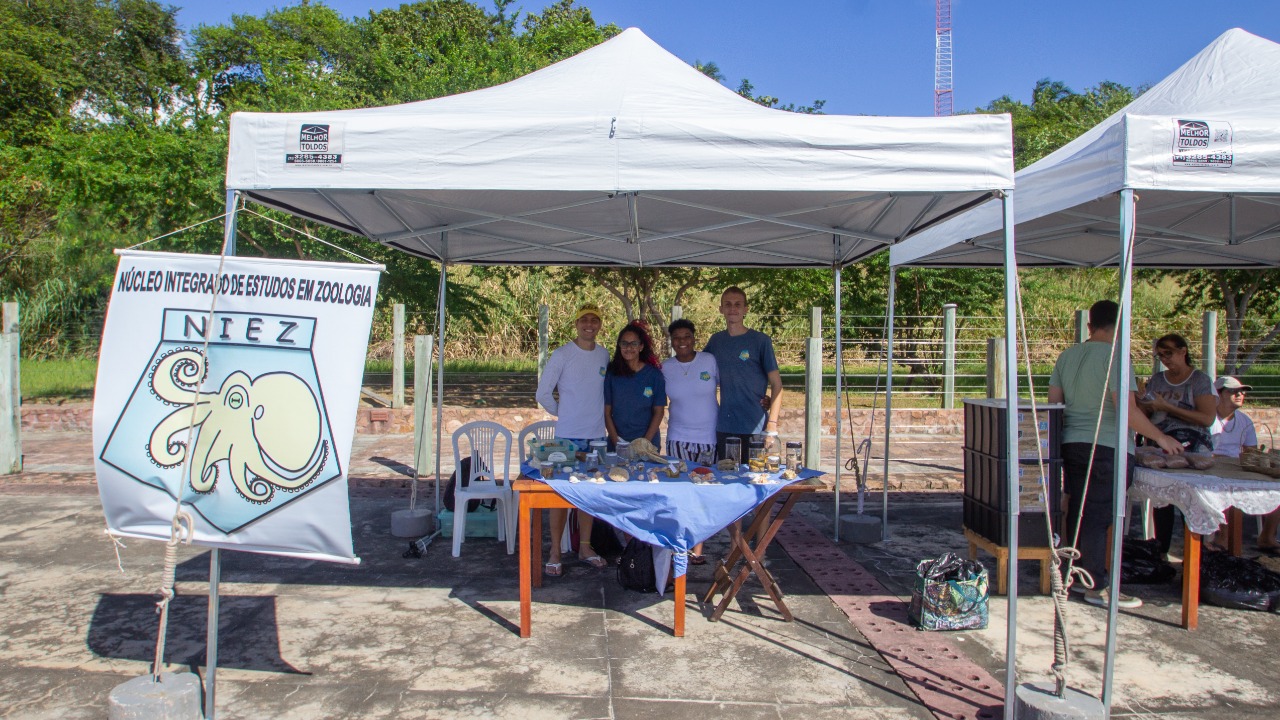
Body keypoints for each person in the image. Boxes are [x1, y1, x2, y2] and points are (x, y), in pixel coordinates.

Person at [1048, 300, 1182, 609]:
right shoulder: (1117, 357)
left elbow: (1055, 403)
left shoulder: (1067, 356)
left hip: (1072, 442)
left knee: (1078, 510)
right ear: (1120, 326)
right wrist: (1161, 438)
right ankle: (1097, 584)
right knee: (1098, 516)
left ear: (1089, 326)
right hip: (1106, 445)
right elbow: (1126, 410)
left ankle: (1076, 574)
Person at [534, 302, 610, 574]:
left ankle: (585, 547)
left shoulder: (604, 355)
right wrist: (564, 413)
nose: (589, 325)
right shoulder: (562, 354)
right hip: (566, 438)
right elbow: (542, 394)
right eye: (584, 320)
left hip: (597, 438)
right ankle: (555, 550)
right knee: (560, 495)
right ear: (576, 324)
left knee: (588, 493)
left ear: (600, 324)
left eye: (594, 320)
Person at [1137, 333, 1216, 558]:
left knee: (1191, 501)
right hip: (1160, 445)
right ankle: (1161, 551)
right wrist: (1142, 402)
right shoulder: (1157, 380)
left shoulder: (1199, 380)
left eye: (1169, 353)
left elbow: (1207, 418)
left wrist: (1168, 407)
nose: (1165, 359)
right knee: (1162, 500)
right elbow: (1144, 415)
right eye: (1160, 355)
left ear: (1183, 351)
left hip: (1192, 446)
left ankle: (1195, 557)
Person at [661, 318, 718, 564]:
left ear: (695, 338)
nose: (682, 342)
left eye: (687, 336)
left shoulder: (709, 361)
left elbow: (732, 387)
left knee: (702, 493)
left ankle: (698, 549)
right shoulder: (666, 367)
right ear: (671, 341)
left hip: (708, 439)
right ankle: (678, 544)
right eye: (677, 338)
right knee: (679, 492)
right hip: (677, 439)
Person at [703, 287, 783, 459]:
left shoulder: (761, 341)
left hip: (755, 426)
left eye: (738, 304)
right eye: (728, 304)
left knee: (756, 479)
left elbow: (777, 384)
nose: (733, 309)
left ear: (746, 309)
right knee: (726, 477)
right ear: (721, 309)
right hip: (725, 426)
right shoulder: (716, 341)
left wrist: (772, 425)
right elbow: (700, 372)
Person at [1206, 376, 1278, 554]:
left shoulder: (1245, 420)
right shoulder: (1207, 417)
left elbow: (1251, 453)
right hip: (1210, 464)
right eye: (1232, 391)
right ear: (1219, 394)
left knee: (1276, 488)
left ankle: (1267, 537)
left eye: (1241, 391)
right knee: (1224, 488)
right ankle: (1222, 539)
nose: (1239, 394)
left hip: (1236, 465)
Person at [604, 322, 666, 451]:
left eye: (634, 344)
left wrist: (644, 443)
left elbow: (659, 412)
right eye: (624, 343)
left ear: (641, 346)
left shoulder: (654, 375)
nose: (629, 348)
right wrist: (617, 443)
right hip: (618, 443)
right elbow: (607, 412)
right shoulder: (612, 374)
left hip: (647, 444)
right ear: (619, 346)